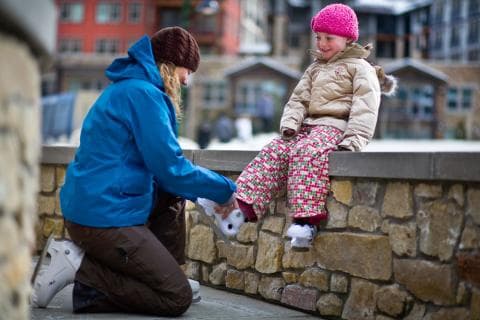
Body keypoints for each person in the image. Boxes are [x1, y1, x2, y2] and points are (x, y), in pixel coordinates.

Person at [31, 27, 238, 316]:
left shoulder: (128, 88)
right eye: (186, 70)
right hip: (104, 218)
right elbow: (171, 168)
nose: (187, 80)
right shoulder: (144, 95)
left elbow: (166, 173)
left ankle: (160, 274)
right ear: (168, 64)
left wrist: (201, 193)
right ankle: (82, 269)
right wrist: (225, 191)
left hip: (96, 207)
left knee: (171, 195)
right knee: (177, 297)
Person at [234, 3, 397, 248]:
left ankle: (305, 222)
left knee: (307, 153)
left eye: (328, 38)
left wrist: (353, 141)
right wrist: (290, 124)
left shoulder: (361, 68)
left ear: (347, 38)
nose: (321, 43)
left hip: (334, 128)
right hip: (307, 128)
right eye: (318, 37)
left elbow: (365, 108)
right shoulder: (314, 69)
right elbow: (298, 99)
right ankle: (242, 203)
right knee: (274, 150)